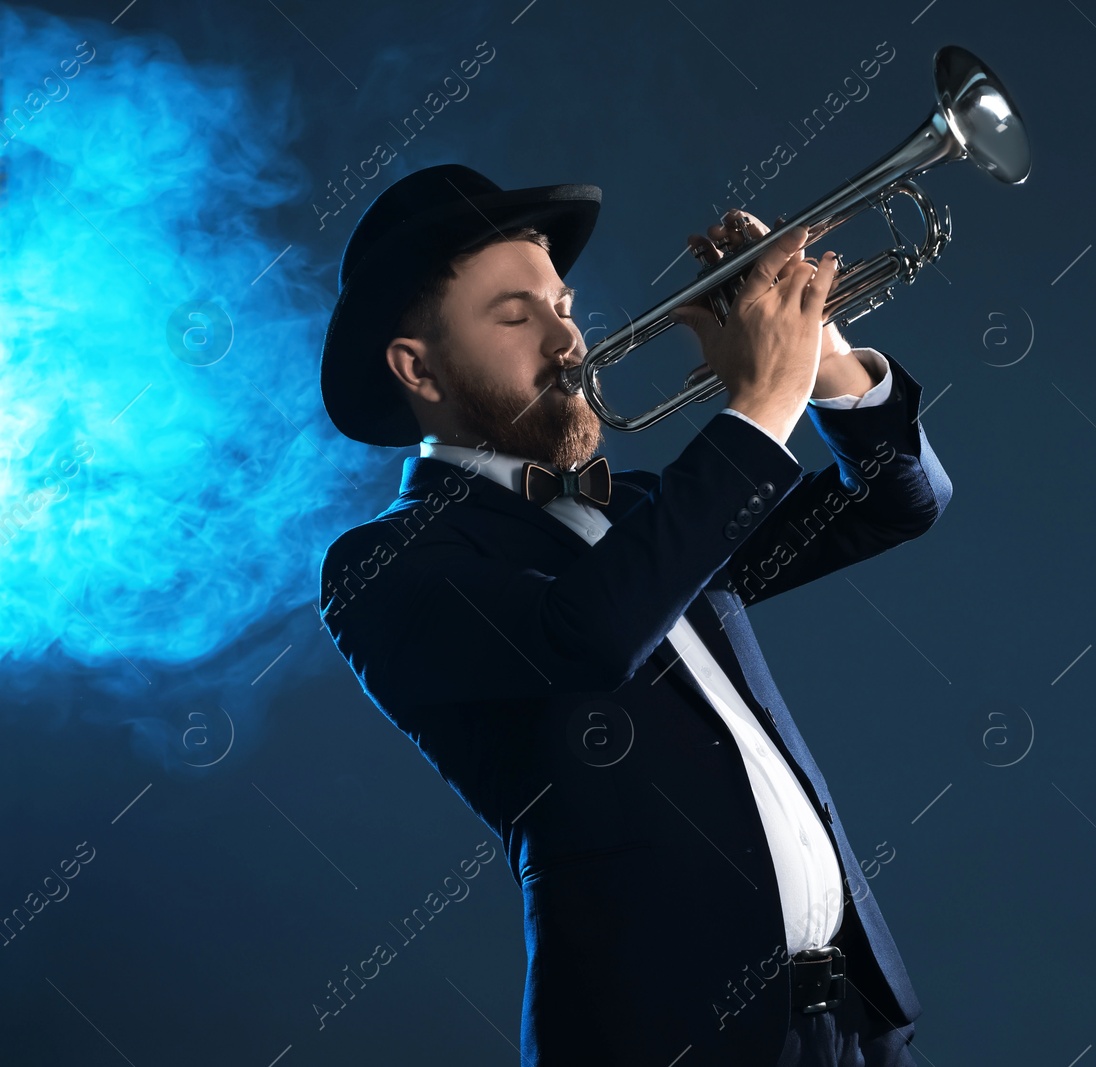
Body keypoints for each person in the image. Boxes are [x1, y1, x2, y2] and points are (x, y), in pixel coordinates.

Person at [317, 164, 951, 1066]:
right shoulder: (384, 564)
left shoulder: (648, 512)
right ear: (417, 367)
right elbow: (589, 633)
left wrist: (825, 356)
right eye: (514, 315)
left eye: (563, 303)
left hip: (854, 1025)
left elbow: (900, 500)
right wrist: (761, 401)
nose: (568, 339)